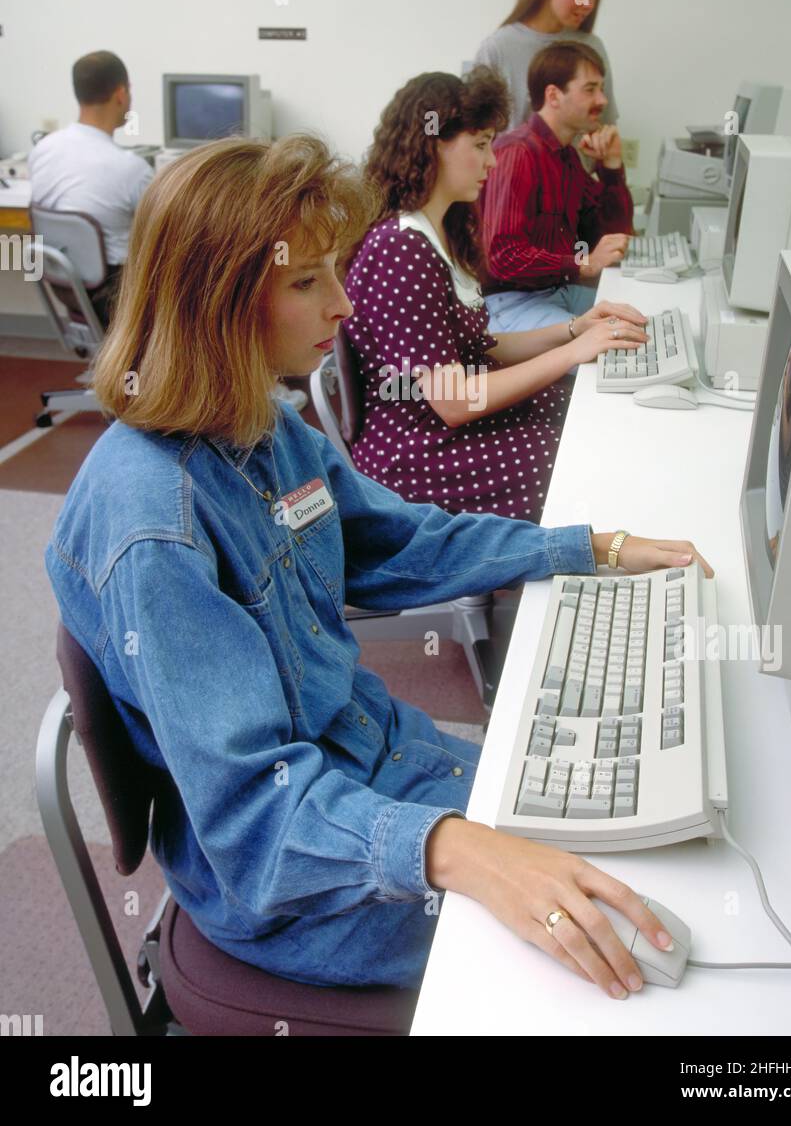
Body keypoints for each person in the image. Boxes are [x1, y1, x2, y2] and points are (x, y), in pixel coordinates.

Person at [44, 134, 712, 997]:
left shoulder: (261, 423)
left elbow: (398, 542)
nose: (345, 307)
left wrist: (581, 550)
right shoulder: (152, 529)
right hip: (302, 884)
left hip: (381, 768)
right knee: (631, 959)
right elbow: (256, 818)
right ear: (217, 302)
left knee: (645, 849)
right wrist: (455, 849)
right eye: (306, 281)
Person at [343, 68, 646, 521]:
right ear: (433, 144)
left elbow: (480, 347)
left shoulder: (436, 232)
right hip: (416, 455)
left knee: (581, 407)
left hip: (442, 429)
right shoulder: (401, 248)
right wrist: (572, 353)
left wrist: (572, 330)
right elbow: (454, 401)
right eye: (481, 145)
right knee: (579, 458)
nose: (492, 161)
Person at [479, 41, 634, 333]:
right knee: (614, 350)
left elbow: (612, 234)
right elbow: (503, 257)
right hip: (509, 304)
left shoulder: (567, 157)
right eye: (590, 89)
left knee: (640, 320)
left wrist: (611, 167)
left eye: (601, 89)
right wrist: (582, 263)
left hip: (554, 294)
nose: (602, 100)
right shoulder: (517, 153)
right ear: (553, 95)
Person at [28, 51, 153, 326]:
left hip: (67, 290)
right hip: (117, 299)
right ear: (121, 94)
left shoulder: (43, 150)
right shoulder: (130, 168)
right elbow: (165, 231)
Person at [475, 0, 617, 132]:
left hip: (576, 164)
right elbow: (477, 132)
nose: (589, 4)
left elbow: (605, 125)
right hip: (512, 163)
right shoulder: (498, 49)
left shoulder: (592, 47)